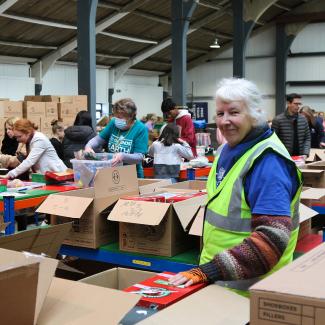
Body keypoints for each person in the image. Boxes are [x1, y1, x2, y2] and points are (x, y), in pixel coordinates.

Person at [169, 78, 302, 297]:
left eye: (234, 112)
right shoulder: (228, 150)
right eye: (220, 114)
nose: (225, 121)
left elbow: (272, 239)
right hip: (222, 283)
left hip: (250, 293)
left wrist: (209, 271)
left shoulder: (268, 164)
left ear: (254, 114)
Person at [85, 98, 148, 178]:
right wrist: (88, 146)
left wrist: (123, 156)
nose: (117, 119)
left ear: (131, 117)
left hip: (131, 176)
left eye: (120, 117)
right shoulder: (113, 123)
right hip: (112, 173)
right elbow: (98, 140)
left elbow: (139, 157)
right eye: (116, 116)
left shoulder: (140, 129)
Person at [2, 119, 67, 179]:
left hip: (58, 175)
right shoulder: (30, 140)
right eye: (16, 137)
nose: (18, 140)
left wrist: (10, 174)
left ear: (28, 132)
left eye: (19, 136)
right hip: (49, 176)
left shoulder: (39, 139)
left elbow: (29, 161)